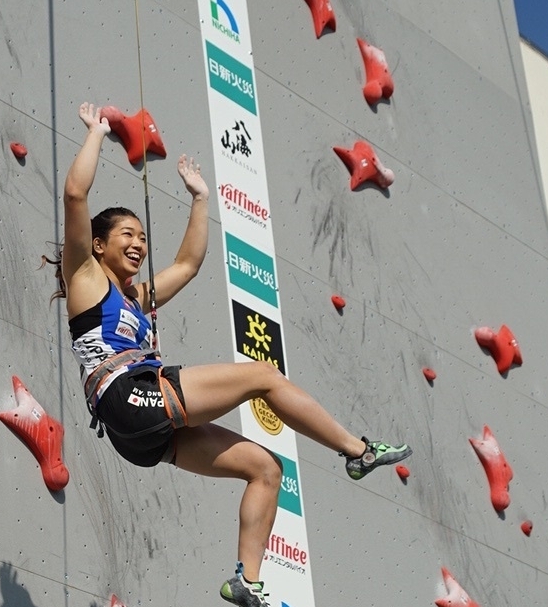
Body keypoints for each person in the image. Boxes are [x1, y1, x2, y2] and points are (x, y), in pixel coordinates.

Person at [49, 102, 412, 607]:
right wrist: (95, 132)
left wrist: (200, 198)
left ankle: (247, 580)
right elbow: (74, 193)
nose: (138, 244)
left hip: (137, 431)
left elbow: (188, 264)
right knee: (262, 374)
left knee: (266, 469)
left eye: (143, 237)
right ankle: (357, 450)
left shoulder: (137, 298)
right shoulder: (85, 278)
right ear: (97, 245)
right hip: (127, 398)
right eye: (127, 235)